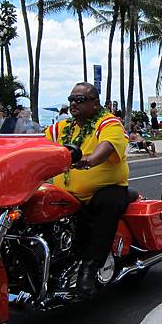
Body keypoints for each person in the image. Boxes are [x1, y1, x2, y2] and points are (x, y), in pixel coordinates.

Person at [45, 82, 129, 298]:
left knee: (108, 202)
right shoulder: (61, 128)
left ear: (94, 103)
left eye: (80, 100)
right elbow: (38, 145)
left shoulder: (108, 123)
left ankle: (89, 268)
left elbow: (107, 145)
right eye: (71, 99)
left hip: (104, 190)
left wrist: (90, 159)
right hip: (66, 194)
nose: (74, 103)